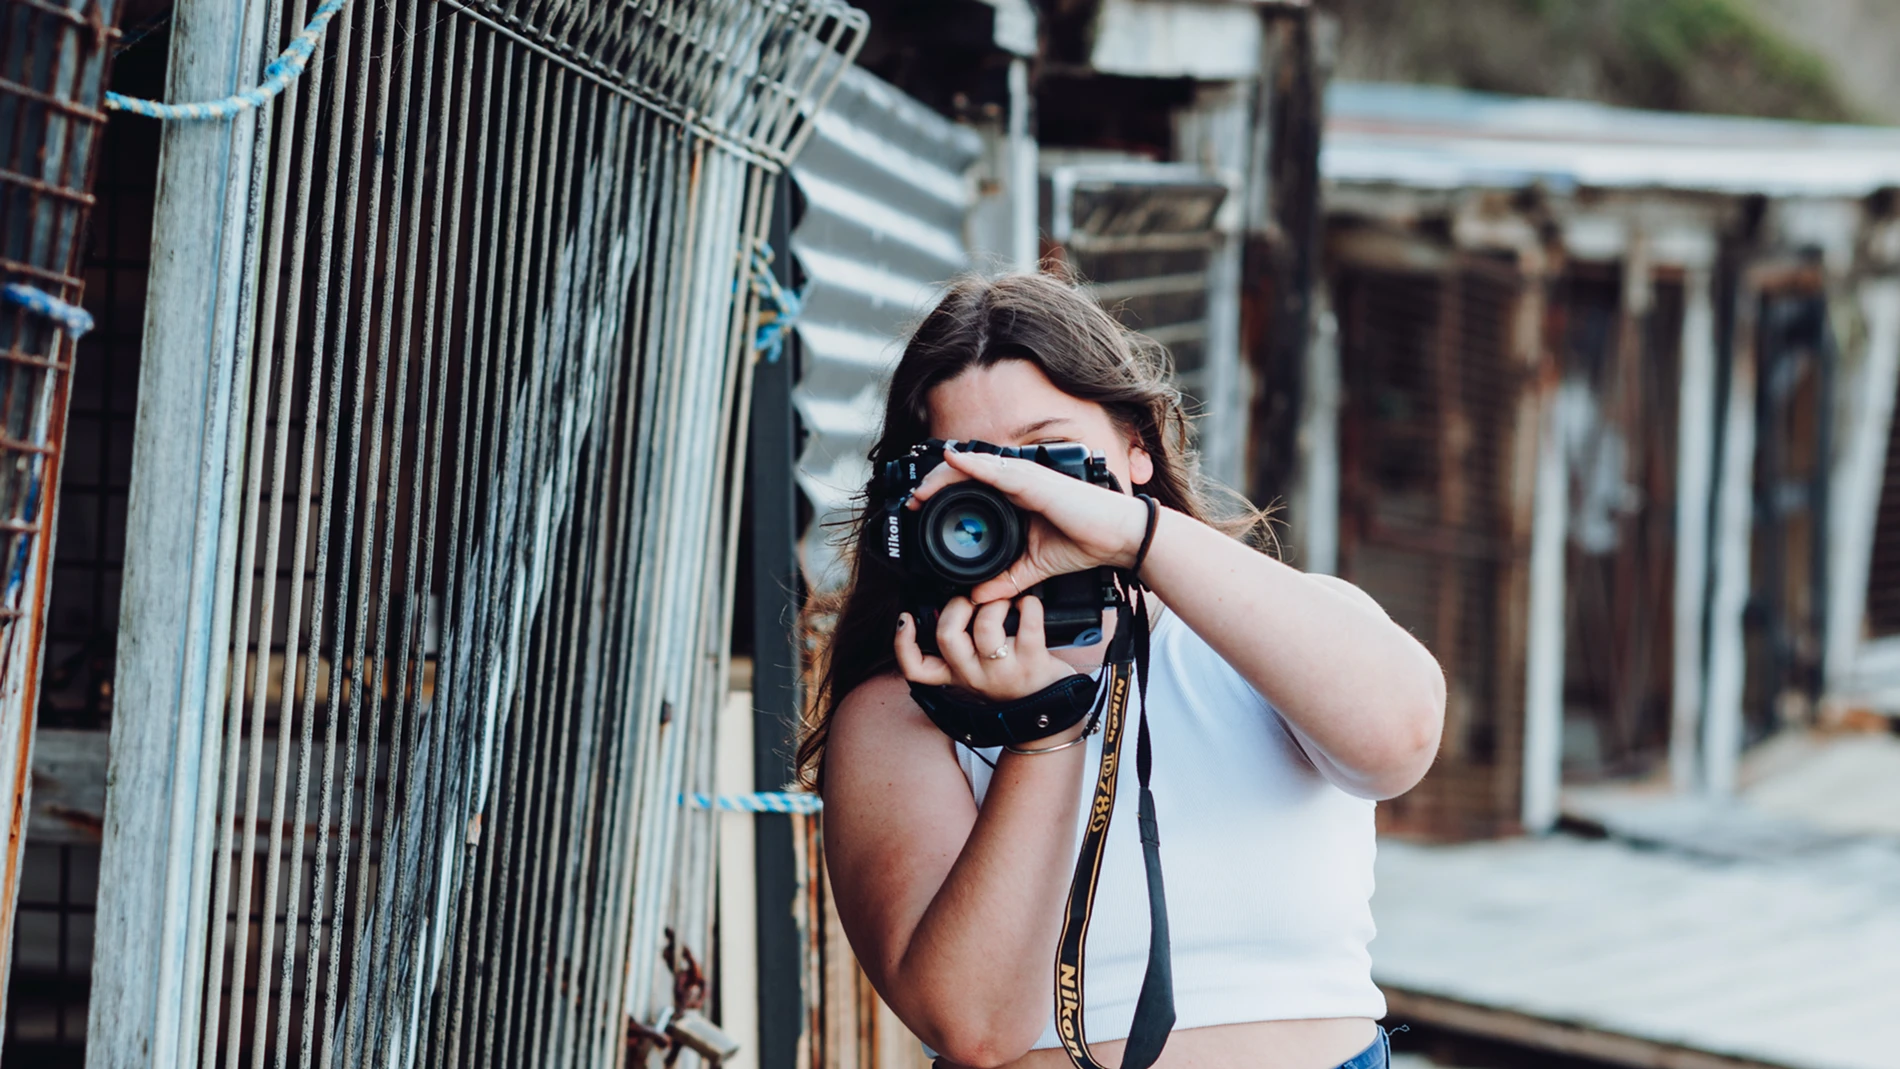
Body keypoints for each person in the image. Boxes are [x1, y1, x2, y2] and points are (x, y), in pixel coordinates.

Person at [800, 271, 1447, 1069]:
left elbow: (1400, 742)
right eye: (976, 463)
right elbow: (974, 1024)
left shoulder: (1267, 624)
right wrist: (1044, 732)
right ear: (924, 493)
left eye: (1045, 454)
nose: (1021, 489)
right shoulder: (907, 704)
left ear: (1136, 447)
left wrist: (1138, 539)